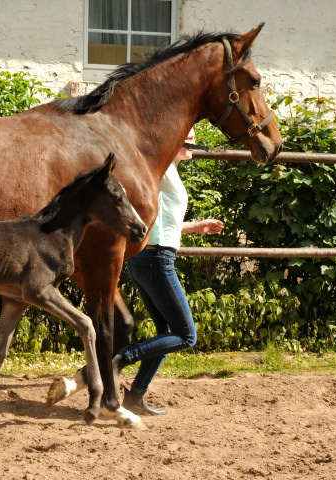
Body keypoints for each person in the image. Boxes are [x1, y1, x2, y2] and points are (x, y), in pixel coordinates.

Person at [114, 128, 224, 415]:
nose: (193, 145)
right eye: (188, 139)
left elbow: (162, 219)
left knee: (165, 331)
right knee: (186, 336)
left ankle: (135, 396)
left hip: (149, 256)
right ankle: (122, 358)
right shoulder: (160, 168)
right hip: (156, 258)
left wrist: (196, 226)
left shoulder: (171, 171)